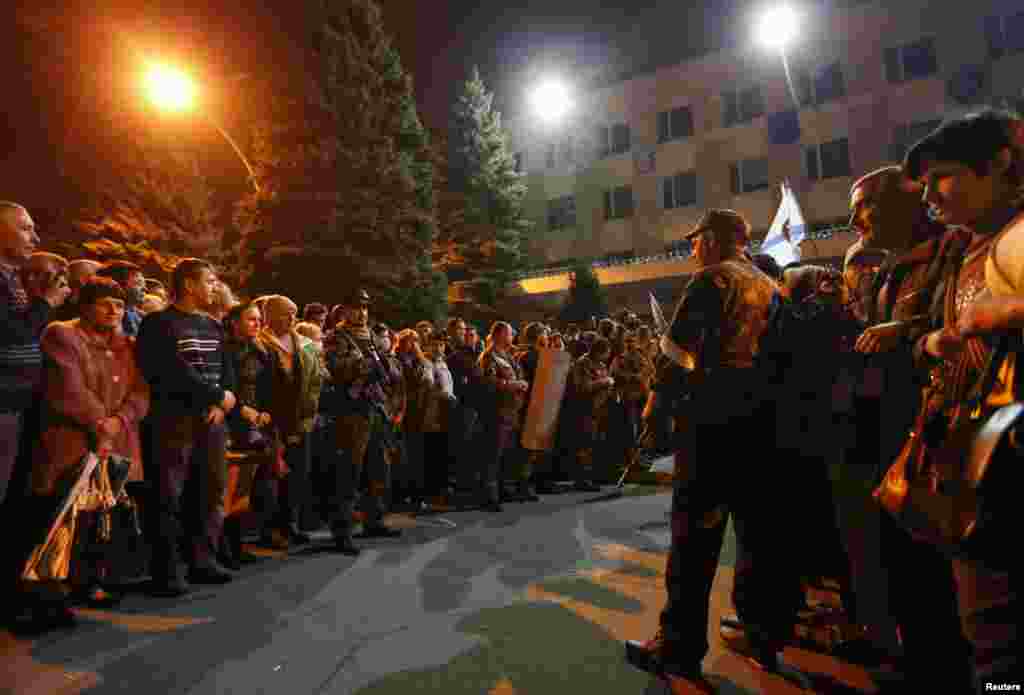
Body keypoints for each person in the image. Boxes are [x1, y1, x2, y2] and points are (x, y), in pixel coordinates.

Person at [625, 209, 803, 694]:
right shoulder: (770, 286)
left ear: (714, 239)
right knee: (757, 537)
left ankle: (679, 647)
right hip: (761, 428)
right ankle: (763, 635)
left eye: (695, 239)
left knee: (693, 542)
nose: (691, 248)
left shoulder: (711, 281)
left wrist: (657, 405)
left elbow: (675, 352)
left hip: (710, 426)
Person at [842, 164, 974, 689]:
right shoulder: (875, 265)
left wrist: (909, 332)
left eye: (864, 206)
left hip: (940, 432)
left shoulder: (956, 248)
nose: (854, 220)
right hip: (884, 431)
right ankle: (915, 657)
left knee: (941, 567)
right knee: (898, 559)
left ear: (906, 201)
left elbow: (968, 324)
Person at [904, 109, 1022, 693]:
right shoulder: (971, 247)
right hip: (978, 472)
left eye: (941, 177)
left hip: (1008, 473)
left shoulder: (1019, 237)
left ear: (1000, 163)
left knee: (1001, 648)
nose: (929, 195)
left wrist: (1006, 311)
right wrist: (934, 341)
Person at [32, 277, 150, 606]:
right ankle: (50, 590)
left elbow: (141, 392)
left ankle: (92, 581)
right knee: (62, 515)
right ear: (85, 306)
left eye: (120, 305)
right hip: (73, 441)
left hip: (115, 441)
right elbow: (68, 388)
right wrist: (101, 422)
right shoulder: (62, 334)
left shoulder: (129, 344)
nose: (114, 310)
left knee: (101, 516)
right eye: (106, 304)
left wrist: (119, 420)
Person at [136, 258, 238, 596]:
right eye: (208, 281)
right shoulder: (158, 323)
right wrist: (215, 395)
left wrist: (222, 405)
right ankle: (167, 571)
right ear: (189, 285)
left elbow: (227, 371)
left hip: (211, 421)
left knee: (209, 492)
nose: (214, 287)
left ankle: (202, 560)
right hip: (171, 421)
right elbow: (169, 370)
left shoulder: (213, 325)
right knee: (168, 495)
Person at [1, 205, 70, 509]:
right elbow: (11, 333)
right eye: (25, 229)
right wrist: (46, 303)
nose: (35, 237)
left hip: (18, 407)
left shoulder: (13, 279)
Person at [325, 288, 401, 555]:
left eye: (365, 307)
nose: (362, 312)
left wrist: (387, 365)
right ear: (344, 310)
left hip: (375, 407)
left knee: (378, 467)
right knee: (349, 472)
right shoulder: (337, 336)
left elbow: (388, 368)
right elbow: (336, 368)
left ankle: (374, 519)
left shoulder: (370, 335)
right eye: (356, 307)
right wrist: (364, 366)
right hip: (351, 411)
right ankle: (342, 531)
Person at [260, 296, 323, 547]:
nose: (292, 318)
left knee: (298, 475)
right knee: (272, 477)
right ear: (271, 315)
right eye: (287, 313)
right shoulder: (262, 343)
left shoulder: (304, 344)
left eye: (295, 313)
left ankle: (290, 523)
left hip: (301, 419)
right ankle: (270, 529)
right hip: (272, 420)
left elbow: (316, 380)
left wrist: (309, 413)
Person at [222, 301, 274, 566]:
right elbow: (225, 386)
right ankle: (223, 549)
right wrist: (242, 410)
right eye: (251, 319)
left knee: (244, 488)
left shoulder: (260, 349)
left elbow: (267, 386)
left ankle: (237, 544)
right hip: (231, 422)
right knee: (227, 489)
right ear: (234, 322)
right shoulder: (225, 348)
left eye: (259, 319)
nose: (258, 324)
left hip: (255, 424)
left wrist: (265, 411)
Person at [476, 321, 529, 512]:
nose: (512, 337)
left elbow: (518, 374)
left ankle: (504, 490)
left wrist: (521, 383)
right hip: (496, 412)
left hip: (511, 411)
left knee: (506, 453)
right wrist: (512, 384)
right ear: (498, 335)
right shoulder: (489, 357)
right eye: (509, 334)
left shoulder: (508, 355)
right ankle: (489, 496)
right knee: (492, 455)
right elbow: (488, 382)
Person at [568, 336, 614, 492]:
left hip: (599, 410)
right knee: (584, 444)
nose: (608, 356)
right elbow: (582, 386)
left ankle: (590, 476)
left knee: (593, 444)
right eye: (606, 353)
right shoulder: (583, 363)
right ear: (599, 351)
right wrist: (604, 382)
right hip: (584, 409)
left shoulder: (600, 364)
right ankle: (581, 479)